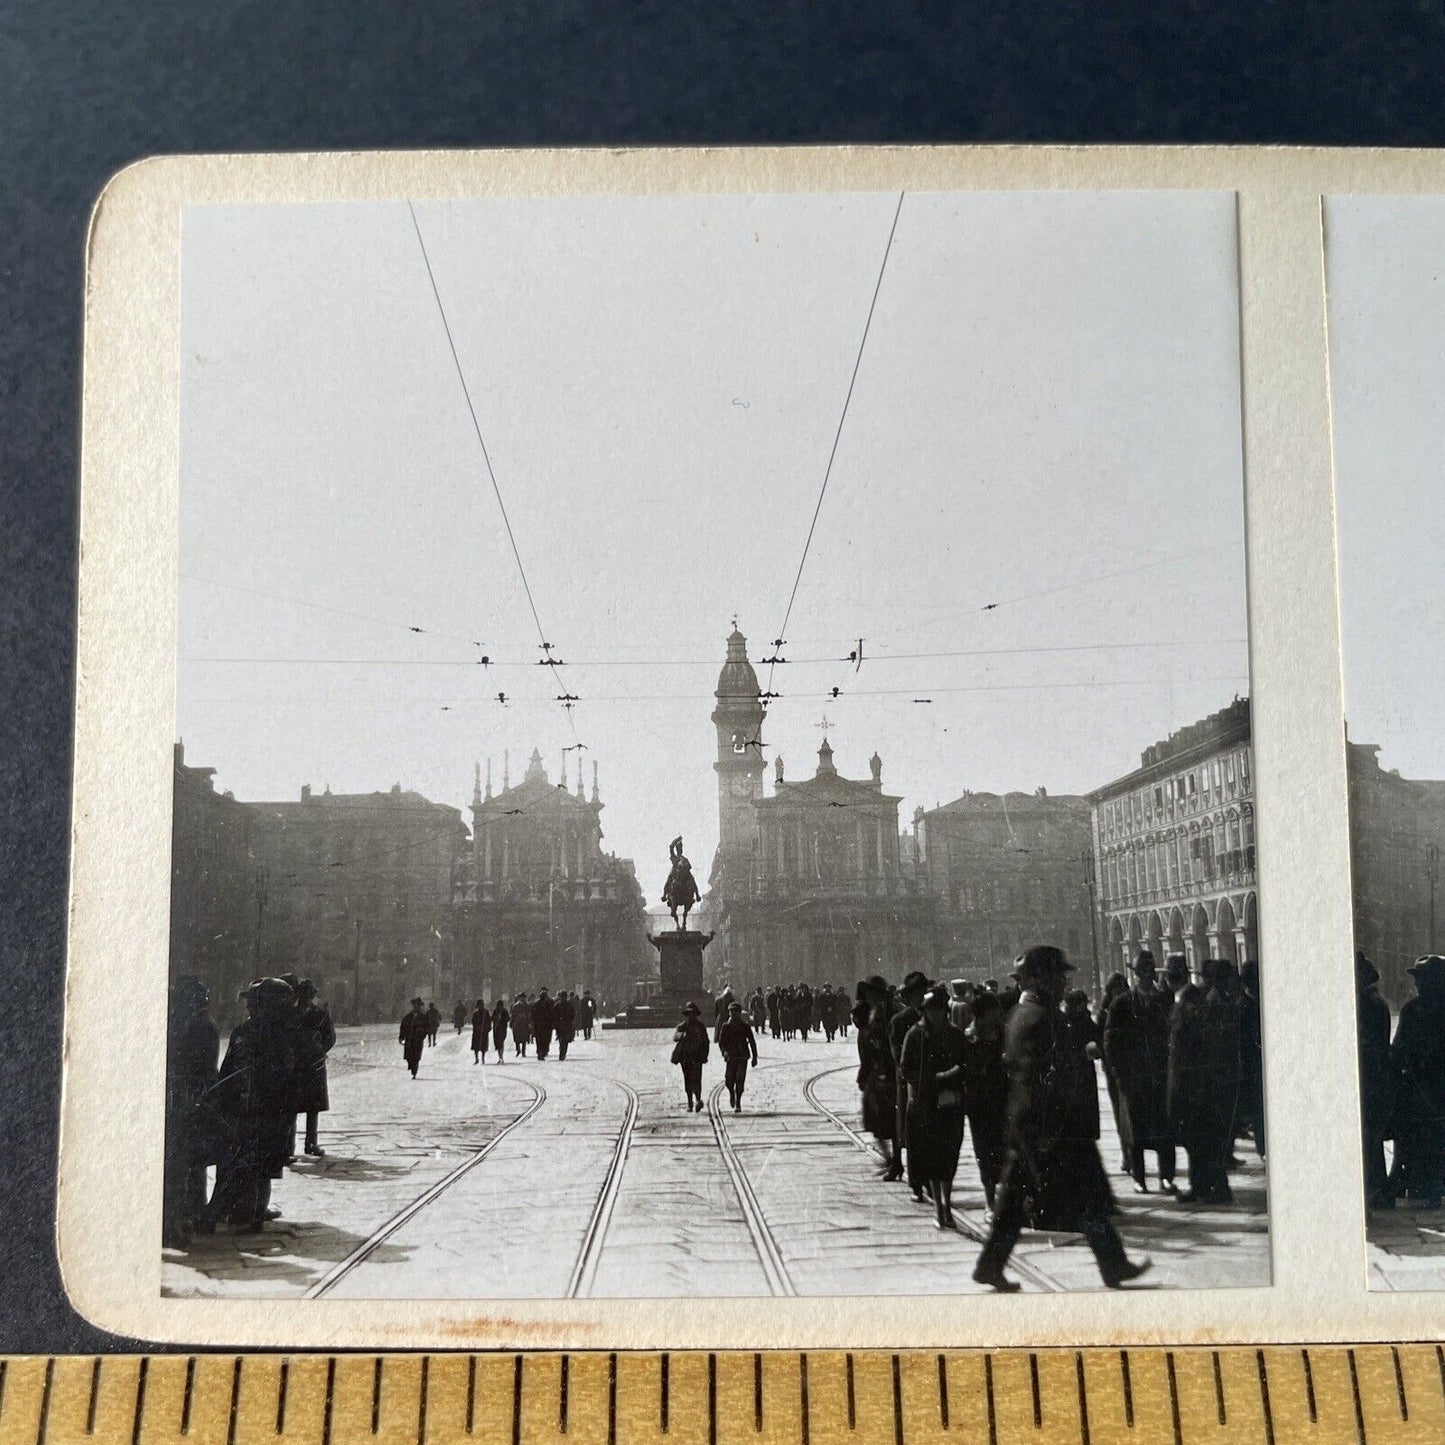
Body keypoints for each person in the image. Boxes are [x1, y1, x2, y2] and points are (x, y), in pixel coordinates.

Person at [973, 947, 1150, 1292]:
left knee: (1013, 1203)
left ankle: (991, 1265)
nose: (1063, 983)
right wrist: (1051, 1129)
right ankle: (1114, 1265)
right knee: (1089, 1198)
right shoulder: (1043, 1018)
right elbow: (1046, 1079)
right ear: (1039, 978)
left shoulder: (1021, 1013)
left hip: (1029, 1126)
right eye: (1058, 976)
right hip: (1053, 1128)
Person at [203, 977, 301, 1232]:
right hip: (258, 1111)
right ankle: (244, 1213)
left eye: (254, 1002)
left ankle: (246, 1214)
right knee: (256, 1164)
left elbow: (230, 1072)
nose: (249, 1007)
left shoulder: (252, 1032)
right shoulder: (283, 1033)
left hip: (255, 1110)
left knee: (249, 1163)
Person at [1103, 950, 1177, 1194]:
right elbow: (1110, 1041)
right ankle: (1139, 1178)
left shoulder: (1164, 999)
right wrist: (1120, 1073)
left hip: (1159, 1076)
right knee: (1135, 1130)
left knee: (1164, 1128)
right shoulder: (1122, 1003)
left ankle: (1166, 1177)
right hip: (1134, 1078)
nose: (1146, 976)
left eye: (1149, 970)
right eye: (1141, 971)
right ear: (1134, 974)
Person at [900, 985, 970, 1230]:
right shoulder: (914, 1035)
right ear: (925, 1011)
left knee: (949, 1157)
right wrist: (933, 1080)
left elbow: (965, 1064)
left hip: (951, 1104)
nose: (935, 1015)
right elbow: (906, 1069)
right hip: (924, 1105)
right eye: (931, 1010)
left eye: (939, 1010)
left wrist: (953, 1074)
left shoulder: (956, 1035)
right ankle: (939, 1208)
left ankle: (947, 1203)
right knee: (932, 1158)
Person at [1165, 954, 1230, 1206]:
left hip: (1192, 1087)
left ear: (1170, 979)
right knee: (1199, 1139)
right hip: (1195, 1085)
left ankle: (1206, 1187)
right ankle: (1207, 1186)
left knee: (1199, 1139)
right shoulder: (1191, 1000)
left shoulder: (1189, 1004)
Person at [163, 975, 220, 1247]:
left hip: (172, 1101)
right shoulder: (204, 1026)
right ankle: (189, 1215)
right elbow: (208, 1070)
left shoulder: (170, 1023)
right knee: (191, 1162)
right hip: (194, 1101)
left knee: (175, 1163)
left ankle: (176, 1219)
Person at [1390, 954, 1445, 1209]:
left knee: (1420, 1136)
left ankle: (1418, 1182)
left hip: (1423, 1086)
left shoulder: (1412, 1010)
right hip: (1423, 1086)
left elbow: (1398, 1048)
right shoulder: (1411, 1010)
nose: (1418, 985)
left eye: (1422, 980)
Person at [962, 989, 1008, 1214]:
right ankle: (990, 1201)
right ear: (982, 1014)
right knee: (985, 1153)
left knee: (1007, 1152)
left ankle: (1006, 1199)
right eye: (994, 1010)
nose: (999, 1014)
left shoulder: (1006, 1035)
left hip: (1005, 1102)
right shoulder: (969, 1039)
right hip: (980, 1105)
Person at [1356, 953, 1394, 1210]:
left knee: (1369, 1137)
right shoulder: (1375, 1001)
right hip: (1376, 1078)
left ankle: (1378, 1189)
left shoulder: (1368, 1004)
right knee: (1371, 1137)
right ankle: (1378, 1188)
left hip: (1371, 1079)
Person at [889, 970, 931, 1200]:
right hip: (910, 1085)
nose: (922, 997)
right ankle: (916, 1181)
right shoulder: (900, 1020)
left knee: (932, 1133)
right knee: (912, 1134)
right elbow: (897, 1055)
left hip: (932, 1085)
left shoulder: (935, 1016)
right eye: (918, 993)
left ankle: (930, 1178)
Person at [856, 976, 900, 1177]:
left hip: (887, 1072)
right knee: (873, 1117)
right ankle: (890, 1158)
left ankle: (895, 1161)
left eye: (873, 992)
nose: (870, 996)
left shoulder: (888, 1013)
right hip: (875, 1071)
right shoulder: (871, 1012)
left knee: (891, 1120)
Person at [293, 979, 335, 1156]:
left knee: (311, 1106)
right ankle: (303, 1144)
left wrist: (319, 1051)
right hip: (302, 1064)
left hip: (307, 1064)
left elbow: (330, 1038)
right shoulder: (318, 1014)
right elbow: (330, 1038)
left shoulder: (316, 1014)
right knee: (293, 1106)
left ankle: (307, 1144)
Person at [1096, 972, 1132, 1172]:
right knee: (1120, 1113)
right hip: (1113, 1070)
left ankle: (1132, 1153)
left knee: (1130, 1113)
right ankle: (1126, 1154)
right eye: (1116, 989)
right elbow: (1101, 1039)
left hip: (1130, 1068)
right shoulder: (1104, 1012)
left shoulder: (1130, 1006)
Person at [1237, 960, 1266, 1159]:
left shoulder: (1262, 1001)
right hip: (1252, 1067)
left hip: (1264, 1065)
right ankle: (1263, 1149)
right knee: (1258, 1110)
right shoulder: (1242, 1006)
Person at [718, 1000, 759, 1111]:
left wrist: (755, 1057)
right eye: (731, 1011)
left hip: (742, 1056)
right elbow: (721, 1042)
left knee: (740, 1080)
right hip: (730, 1056)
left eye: (735, 1011)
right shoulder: (726, 1026)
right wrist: (724, 1052)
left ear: (739, 1012)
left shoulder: (745, 1026)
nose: (733, 1014)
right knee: (729, 1080)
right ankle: (731, 1092)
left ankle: (738, 1103)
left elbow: (752, 1041)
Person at [672, 1001, 710, 1111]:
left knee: (697, 1079)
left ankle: (698, 1100)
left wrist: (705, 1055)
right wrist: (683, 1035)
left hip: (697, 1056)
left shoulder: (701, 1026)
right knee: (687, 1079)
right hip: (685, 1057)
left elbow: (706, 1042)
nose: (690, 1016)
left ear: (695, 1014)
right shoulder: (682, 1026)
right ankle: (690, 1103)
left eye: (692, 1013)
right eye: (688, 1014)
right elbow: (675, 1037)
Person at [399, 997, 428, 1078]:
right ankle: (411, 1066)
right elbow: (403, 1027)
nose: (416, 1007)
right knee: (409, 1056)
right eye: (414, 1006)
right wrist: (401, 1037)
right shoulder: (407, 1017)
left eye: (418, 1006)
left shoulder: (423, 1017)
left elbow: (426, 1028)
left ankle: (414, 1072)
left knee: (416, 1057)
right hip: (409, 1039)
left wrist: (422, 1034)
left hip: (418, 1040)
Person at [532, 988, 556, 1061]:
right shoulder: (549, 1003)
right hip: (546, 1025)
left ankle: (539, 1051)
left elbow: (533, 1014)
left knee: (539, 1039)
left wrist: (533, 1022)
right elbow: (552, 1013)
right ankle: (544, 1051)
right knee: (545, 1039)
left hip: (538, 1024)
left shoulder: (536, 1003)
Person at [555, 990, 577, 1061]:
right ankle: (563, 1053)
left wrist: (557, 1021)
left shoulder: (557, 1005)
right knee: (565, 1040)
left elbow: (553, 1014)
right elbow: (573, 1014)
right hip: (567, 1024)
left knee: (561, 1040)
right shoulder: (569, 1005)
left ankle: (561, 1053)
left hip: (560, 1024)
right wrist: (569, 1020)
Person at [470, 998, 491, 1064]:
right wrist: (477, 1026)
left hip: (484, 1031)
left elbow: (488, 1021)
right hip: (477, 1031)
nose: (480, 1006)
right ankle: (476, 1059)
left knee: (483, 1046)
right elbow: (473, 1021)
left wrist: (487, 1028)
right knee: (476, 1046)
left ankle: (483, 1058)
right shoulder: (475, 1013)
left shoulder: (486, 1012)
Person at [511, 992, 532, 1057]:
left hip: (524, 1023)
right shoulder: (515, 1005)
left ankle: (523, 1051)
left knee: (524, 1038)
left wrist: (529, 1022)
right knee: (517, 1038)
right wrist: (511, 1022)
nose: (522, 998)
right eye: (521, 997)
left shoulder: (527, 1005)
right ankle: (518, 1050)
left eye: (523, 997)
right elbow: (513, 1015)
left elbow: (529, 1014)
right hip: (517, 1023)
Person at [490, 997, 510, 1062]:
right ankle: (500, 1056)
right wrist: (496, 1017)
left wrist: (502, 1019)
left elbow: (508, 1018)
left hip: (503, 1028)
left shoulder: (504, 1011)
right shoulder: (495, 1011)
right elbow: (492, 1018)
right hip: (496, 1028)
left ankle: (501, 1056)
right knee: (498, 1043)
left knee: (501, 1042)